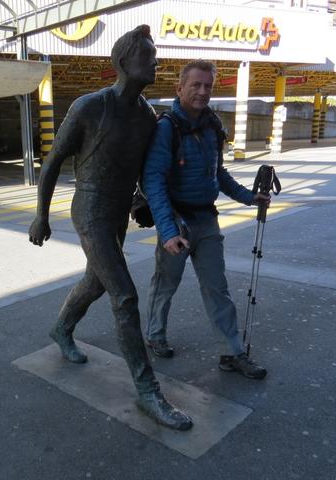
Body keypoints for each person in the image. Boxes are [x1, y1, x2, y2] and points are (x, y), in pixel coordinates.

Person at [28, 26, 193, 430]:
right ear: (124, 63)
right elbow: (51, 163)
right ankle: (148, 392)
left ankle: (61, 328)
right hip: (89, 209)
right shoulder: (89, 107)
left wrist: (140, 201)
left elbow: (140, 169)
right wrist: (41, 215)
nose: (156, 62)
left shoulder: (147, 117)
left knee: (97, 281)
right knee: (123, 296)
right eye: (149, 56)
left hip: (117, 210)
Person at [142, 59, 268, 379]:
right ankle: (155, 335)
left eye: (208, 86)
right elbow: (153, 181)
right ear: (179, 88)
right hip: (177, 221)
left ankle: (233, 352)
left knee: (217, 287)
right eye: (195, 85)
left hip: (207, 220)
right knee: (166, 282)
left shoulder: (212, 125)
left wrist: (247, 197)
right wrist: (168, 232)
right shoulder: (166, 128)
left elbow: (218, 173)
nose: (202, 91)